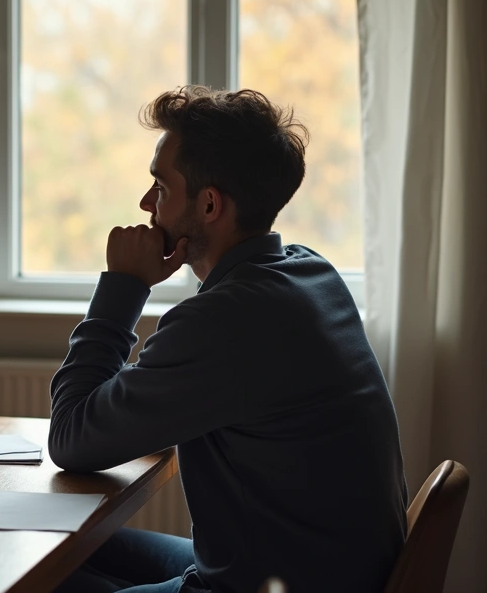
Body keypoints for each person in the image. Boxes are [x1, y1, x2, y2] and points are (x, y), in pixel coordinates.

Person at [49, 86, 407, 593]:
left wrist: (122, 287)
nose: (146, 203)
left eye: (162, 188)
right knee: (58, 543)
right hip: (326, 573)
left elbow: (70, 438)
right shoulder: (310, 272)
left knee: (25, 576)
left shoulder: (224, 320)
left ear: (210, 203)